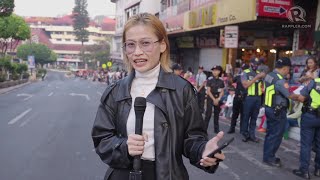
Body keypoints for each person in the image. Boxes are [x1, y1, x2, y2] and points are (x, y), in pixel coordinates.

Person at [91, 13, 225, 180]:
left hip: (167, 175)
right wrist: (124, 146)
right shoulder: (115, 91)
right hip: (122, 174)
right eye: (130, 45)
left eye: (145, 43)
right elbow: (102, 139)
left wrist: (203, 151)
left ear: (162, 45)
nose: (137, 52)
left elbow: (193, 138)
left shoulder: (182, 89)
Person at [263, 57, 300, 167]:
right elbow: (290, 95)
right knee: (276, 135)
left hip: (269, 108)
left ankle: (267, 155)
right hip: (277, 111)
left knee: (270, 134)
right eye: (288, 69)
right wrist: (303, 97)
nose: (289, 71)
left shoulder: (269, 75)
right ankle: (270, 158)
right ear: (285, 68)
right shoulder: (280, 80)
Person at [292, 78, 320, 179]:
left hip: (310, 115)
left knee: (306, 145)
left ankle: (304, 171)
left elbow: (301, 98)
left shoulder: (315, 81)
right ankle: (318, 170)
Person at [241, 58, 265, 143]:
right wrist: (256, 77)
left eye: (258, 64)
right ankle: (245, 134)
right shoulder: (245, 72)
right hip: (249, 98)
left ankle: (252, 135)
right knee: (246, 117)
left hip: (258, 98)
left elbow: (262, 86)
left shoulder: (259, 73)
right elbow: (245, 85)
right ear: (250, 63)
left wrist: (263, 88)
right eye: (254, 64)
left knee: (254, 117)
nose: (256, 65)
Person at [227, 63, 248, 134]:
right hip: (237, 96)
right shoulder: (239, 76)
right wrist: (229, 72)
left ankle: (242, 129)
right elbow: (231, 82)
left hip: (245, 97)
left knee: (243, 114)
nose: (243, 71)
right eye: (242, 69)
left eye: (244, 69)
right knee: (234, 114)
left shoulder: (249, 77)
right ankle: (232, 128)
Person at [204, 65, 224, 133]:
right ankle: (204, 130)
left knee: (216, 114)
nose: (214, 72)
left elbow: (222, 91)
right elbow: (208, 91)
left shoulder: (221, 81)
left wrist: (218, 99)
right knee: (208, 114)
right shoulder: (209, 79)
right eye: (213, 70)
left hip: (217, 98)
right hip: (210, 98)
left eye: (216, 70)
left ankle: (216, 129)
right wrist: (214, 99)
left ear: (219, 71)